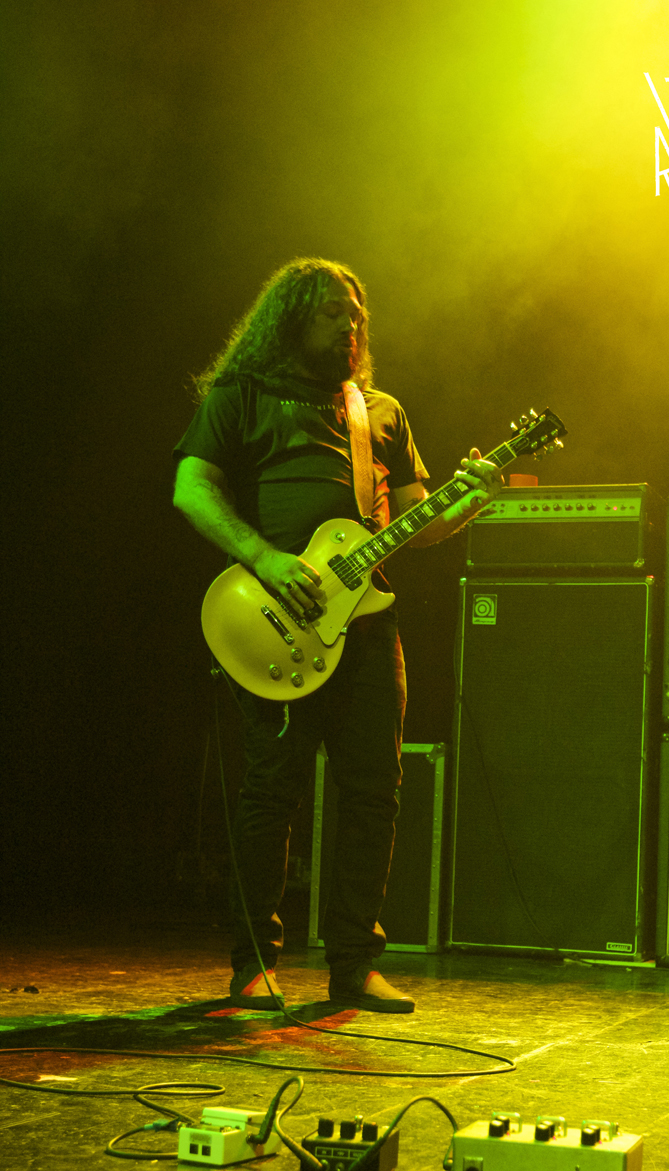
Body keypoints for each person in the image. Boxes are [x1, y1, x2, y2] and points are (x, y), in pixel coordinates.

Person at [173, 257, 502, 1013]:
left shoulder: (378, 411)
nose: (349, 325)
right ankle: (254, 963)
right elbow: (191, 487)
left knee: (373, 795)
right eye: (331, 312)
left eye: (356, 314)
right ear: (291, 318)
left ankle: (355, 964)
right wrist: (263, 558)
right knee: (271, 793)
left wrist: (471, 502)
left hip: (368, 627)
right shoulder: (242, 394)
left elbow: (418, 521)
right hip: (273, 617)